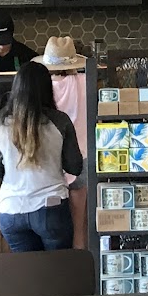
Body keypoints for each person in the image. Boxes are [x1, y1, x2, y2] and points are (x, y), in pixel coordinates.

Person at [0, 61, 83, 252]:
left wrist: (12, 166)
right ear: (47, 88)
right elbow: (75, 167)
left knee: (27, 269)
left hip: (11, 211)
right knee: (57, 267)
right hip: (51, 208)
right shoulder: (59, 121)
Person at [41, 36, 90, 249]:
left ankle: (56, 265)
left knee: (52, 227)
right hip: (82, 157)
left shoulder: (42, 89)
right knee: (79, 226)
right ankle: (78, 265)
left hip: (51, 160)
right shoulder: (86, 82)